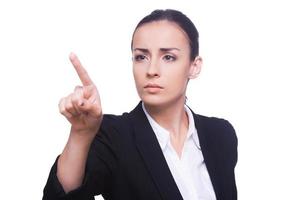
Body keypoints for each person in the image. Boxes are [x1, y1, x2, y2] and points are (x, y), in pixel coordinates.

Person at [42, 9, 238, 200]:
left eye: (168, 57)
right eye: (141, 57)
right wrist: (80, 135)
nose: (151, 70)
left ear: (194, 66)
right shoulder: (113, 135)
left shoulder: (220, 134)